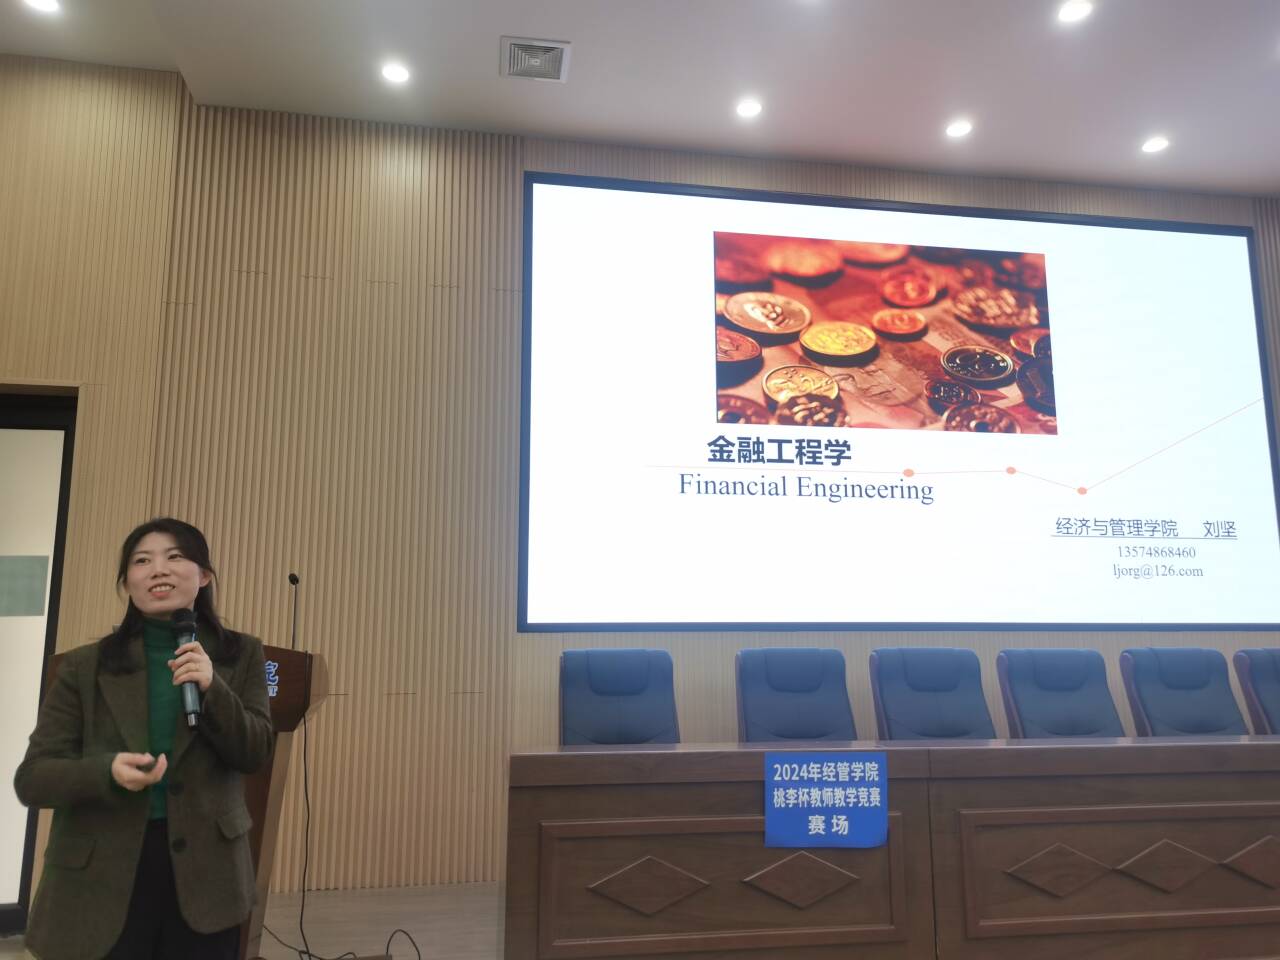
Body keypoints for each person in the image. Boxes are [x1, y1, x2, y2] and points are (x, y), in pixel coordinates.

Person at [14, 518, 274, 960]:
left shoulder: (241, 653)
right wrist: (107, 772)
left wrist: (213, 688)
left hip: (208, 878)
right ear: (127, 583)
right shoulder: (84, 667)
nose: (158, 569)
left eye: (175, 556)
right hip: (100, 876)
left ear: (204, 575)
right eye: (142, 561)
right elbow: (33, 779)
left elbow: (255, 752)